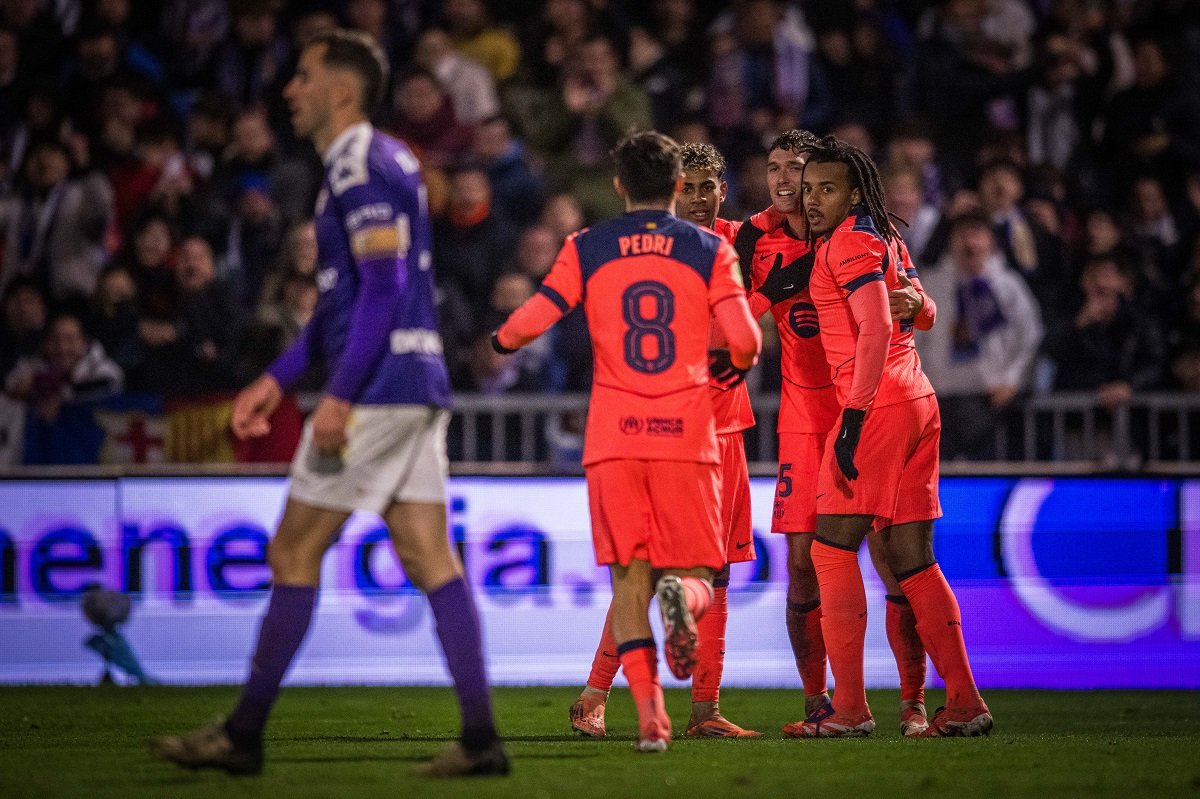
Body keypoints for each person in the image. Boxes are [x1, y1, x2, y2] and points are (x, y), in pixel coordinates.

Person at [149, 30, 508, 778]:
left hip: (377, 392)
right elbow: (343, 301)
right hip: (414, 382)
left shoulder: (357, 160)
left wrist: (337, 396)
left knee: (292, 550)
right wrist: (279, 377)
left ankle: (244, 733)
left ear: (341, 89)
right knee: (427, 554)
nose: (289, 90)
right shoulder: (381, 159)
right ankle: (481, 740)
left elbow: (380, 288)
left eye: (303, 77)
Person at [492, 131, 761, 752]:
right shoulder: (710, 249)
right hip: (690, 434)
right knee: (702, 574)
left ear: (618, 186)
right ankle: (682, 604)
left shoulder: (587, 246)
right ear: (674, 186)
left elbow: (534, 317)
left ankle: (651, 722)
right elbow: (745, 342)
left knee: (628, 580)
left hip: (614, 435)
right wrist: (726, 371)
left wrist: (502, 341)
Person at [732, 130, 936, 738]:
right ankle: (822, 700)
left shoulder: (867, 235)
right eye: (775, 169)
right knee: (803, 564)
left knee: (892, 557)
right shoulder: (755, 238)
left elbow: (922, 306)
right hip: (804, 417)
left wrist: (914, 302)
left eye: (799, 170)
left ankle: (913, 701)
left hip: (868, 409)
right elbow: (737, 311)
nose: (787, 181)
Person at [794, 135, 992, 738]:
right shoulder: (885, 236)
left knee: (829, 549)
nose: (812, 201)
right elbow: (923, 309)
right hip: (917, 401)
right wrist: (910, 305)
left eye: (826, 189)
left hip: (876, 404)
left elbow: (878, 327)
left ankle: (849, 711)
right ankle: (963, 703)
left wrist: (851, 419)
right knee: (913, 561)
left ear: (853, 192)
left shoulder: (848, 243)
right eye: (808, 191)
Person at [567, 143, 761, 739]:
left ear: (723, 190)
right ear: (675, 188)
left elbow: (789, 221)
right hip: (674, 435)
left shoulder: (739, 240)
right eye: (691, 185)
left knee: (713, 573)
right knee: (646, 572)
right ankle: (594, 697)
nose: (700, 197)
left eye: (711, 186)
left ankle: (703, 710)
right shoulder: (676, 247)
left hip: (723, 431)